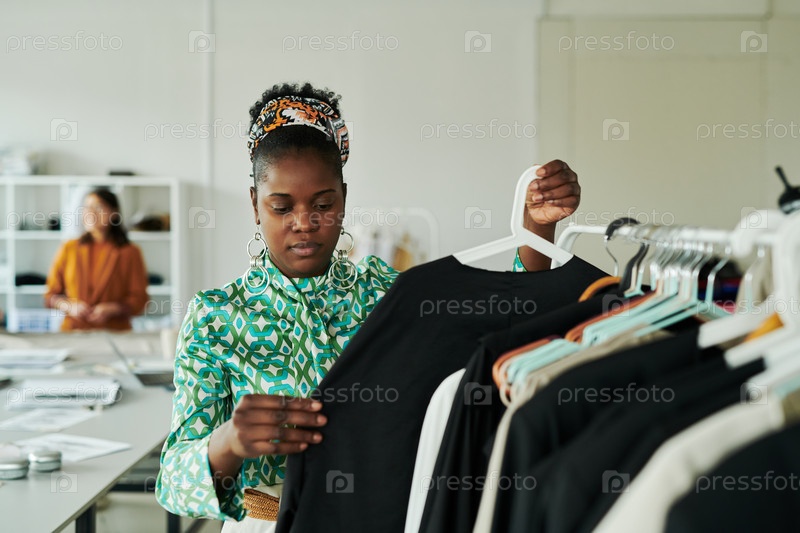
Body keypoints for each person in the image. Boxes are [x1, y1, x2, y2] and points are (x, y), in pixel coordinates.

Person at [155, 82, 581, 531]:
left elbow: (504, 340)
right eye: (281, 207)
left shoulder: (388, 293)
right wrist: (228, 443)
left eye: (323, 204)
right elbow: (172, 484)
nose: (304, 223)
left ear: (343, 198)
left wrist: (536, 231)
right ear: (254, 206)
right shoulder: (216, 317)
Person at [44, 188, 149, 331]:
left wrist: (114, 309)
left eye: (98, 207)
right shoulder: (69, 248)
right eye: (87, 207)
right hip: (74, 331)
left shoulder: (130, 252)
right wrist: (70, 306)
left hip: (115, 332)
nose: (90, 212)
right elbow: (50, 297)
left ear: (114, 213)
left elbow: (140, 300)